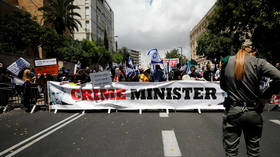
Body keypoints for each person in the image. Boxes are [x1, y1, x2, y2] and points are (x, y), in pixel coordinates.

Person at [220, 40, 280, 157]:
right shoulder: (259, 62)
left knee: (231, 152)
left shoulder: (227, 62)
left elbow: (223, 86)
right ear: (252, 50)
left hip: (233, 111)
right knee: (253, 152)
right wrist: (265, 96)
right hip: (253, 110)